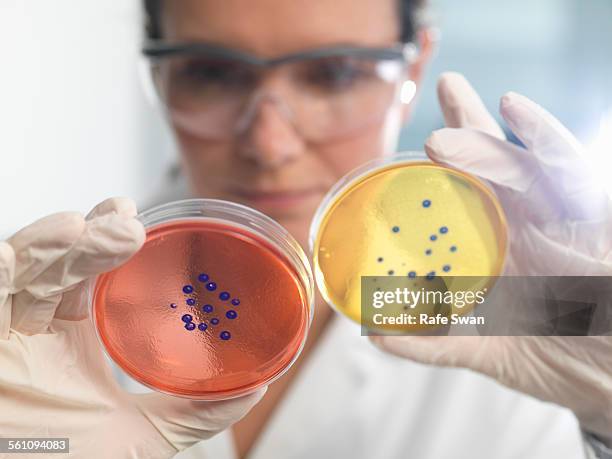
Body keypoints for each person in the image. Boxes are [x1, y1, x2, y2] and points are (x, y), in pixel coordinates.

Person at [0, 0, 610, 458]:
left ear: (415, 63)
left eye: (335, 74)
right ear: (156, 73)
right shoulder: (33, 331)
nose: (270, 143)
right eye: (213, 72)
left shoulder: (521, 311)